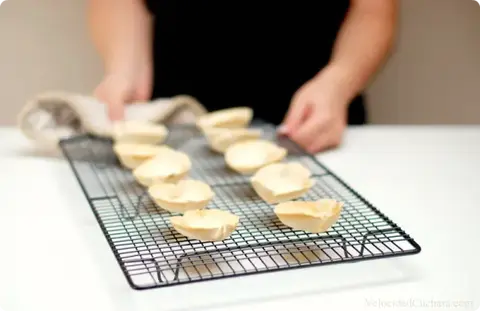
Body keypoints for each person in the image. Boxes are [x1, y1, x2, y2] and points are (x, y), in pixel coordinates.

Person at [87, 1, 398, 154]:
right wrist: (124, 68)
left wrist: (339, 82)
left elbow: (373, 8)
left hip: (313, 119)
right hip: (176, 124)